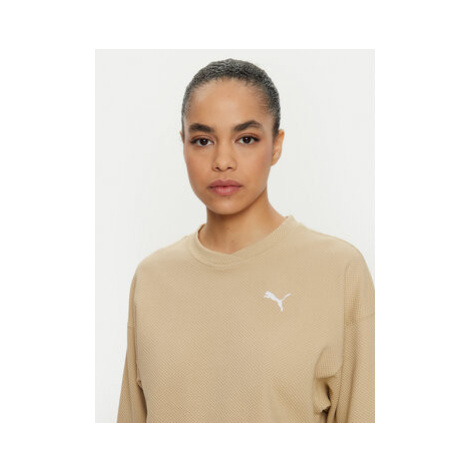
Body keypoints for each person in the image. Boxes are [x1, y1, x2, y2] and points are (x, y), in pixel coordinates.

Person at [117, 58, 375, 423]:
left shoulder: (338, 270)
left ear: (276, 145)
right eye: (203, 140)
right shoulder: (152, 278)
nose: (223, 161)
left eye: (246, 139)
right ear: (183, 145)